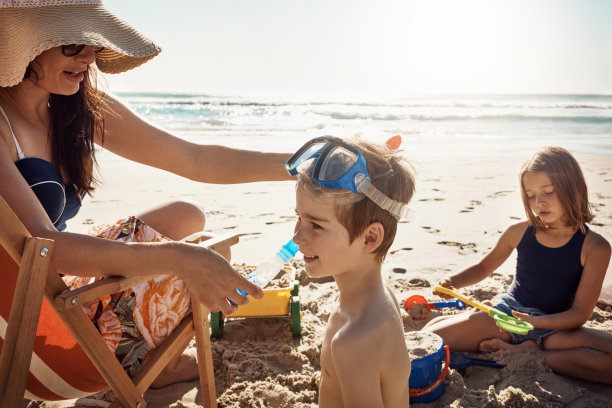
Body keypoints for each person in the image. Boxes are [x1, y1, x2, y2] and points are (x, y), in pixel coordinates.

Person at [0, 0, 293, 390]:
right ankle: (156, 364)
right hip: (26, 325)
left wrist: (304, 164)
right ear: (23, 44)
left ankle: (156, 361)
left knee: (186, 216)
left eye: (92, 43)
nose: (89, 56)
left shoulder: (75, 108)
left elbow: (195, 159)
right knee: (202, 254)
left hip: (53, 284)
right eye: (71, 43)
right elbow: (45, 243)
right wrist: (181, 258)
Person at [423, 146, 612, 384]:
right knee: (430, 335)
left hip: (556, 329)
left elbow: (579, 314)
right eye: (531, 195)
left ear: (572, 187)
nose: (538, 202)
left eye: (548, 191)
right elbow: (484, 268)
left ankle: (533, 353)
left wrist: (536, 322)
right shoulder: (519, 232)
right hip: (507, 317)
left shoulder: (596, 247)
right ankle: (499, 329)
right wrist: (453, 282)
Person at [288, 135, 415, 407]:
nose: (297, 236)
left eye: (316, 225)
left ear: (370, 239)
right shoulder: (379, 299)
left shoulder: (354, 340)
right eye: (299, 218)